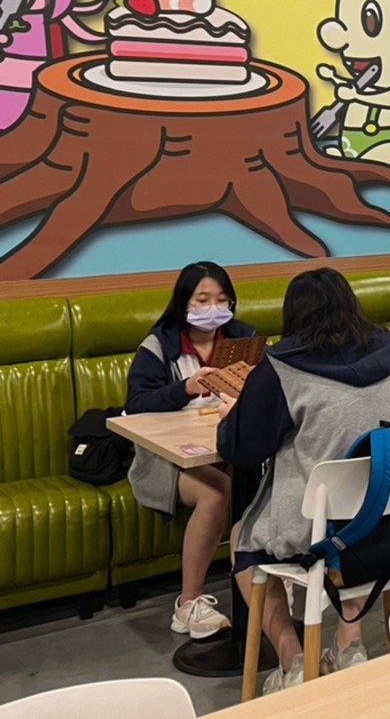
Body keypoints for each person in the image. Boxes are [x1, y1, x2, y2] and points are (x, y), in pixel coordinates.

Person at [218, 268, 390, 693]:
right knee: (352, 521)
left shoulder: (281, 366)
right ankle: (349, 644)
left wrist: (233, 411)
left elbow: (241, 449)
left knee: (241, 540)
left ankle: (293, 662)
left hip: (316, 529)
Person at [125, 260, 254, 640]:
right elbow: (136, 404)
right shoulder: (158, 346)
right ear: (184, 303)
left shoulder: (243, 338)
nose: (213, 308)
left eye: (222, 299)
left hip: (228, 443)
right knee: (217, 491)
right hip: (166, 458)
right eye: (202, 300)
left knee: (269, 475)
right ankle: (188, 603)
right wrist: (185, 389)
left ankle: (269, 587)